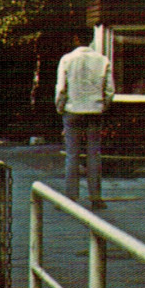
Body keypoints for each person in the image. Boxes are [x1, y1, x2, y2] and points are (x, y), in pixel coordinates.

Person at [54, 28, 114, 211]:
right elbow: (110, 90)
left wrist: (60, 107)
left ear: (76, 37)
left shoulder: (66, 59)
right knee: (94, 154)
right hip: (94, 110)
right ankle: (96, 197)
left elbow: (62, 88)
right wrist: (103, 106)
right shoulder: (103, 60)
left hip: (73, 109)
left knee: (72, 153)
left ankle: (71, 196)